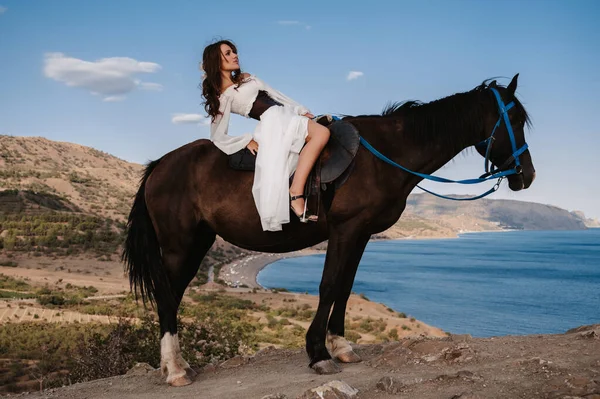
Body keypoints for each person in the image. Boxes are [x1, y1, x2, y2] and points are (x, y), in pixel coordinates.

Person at [201, 39, 330, 232]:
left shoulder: (246, 77)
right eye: (227, 53)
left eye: (234, 51)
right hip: (272, 123)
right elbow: (217, 135)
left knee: (322, 137)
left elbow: (276, 95)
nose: (235, 55)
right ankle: (296, 193)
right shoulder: (223, 96)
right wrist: (247, 141)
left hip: (285, 115)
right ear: (215, 62)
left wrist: (299, 109)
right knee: (322, 133)